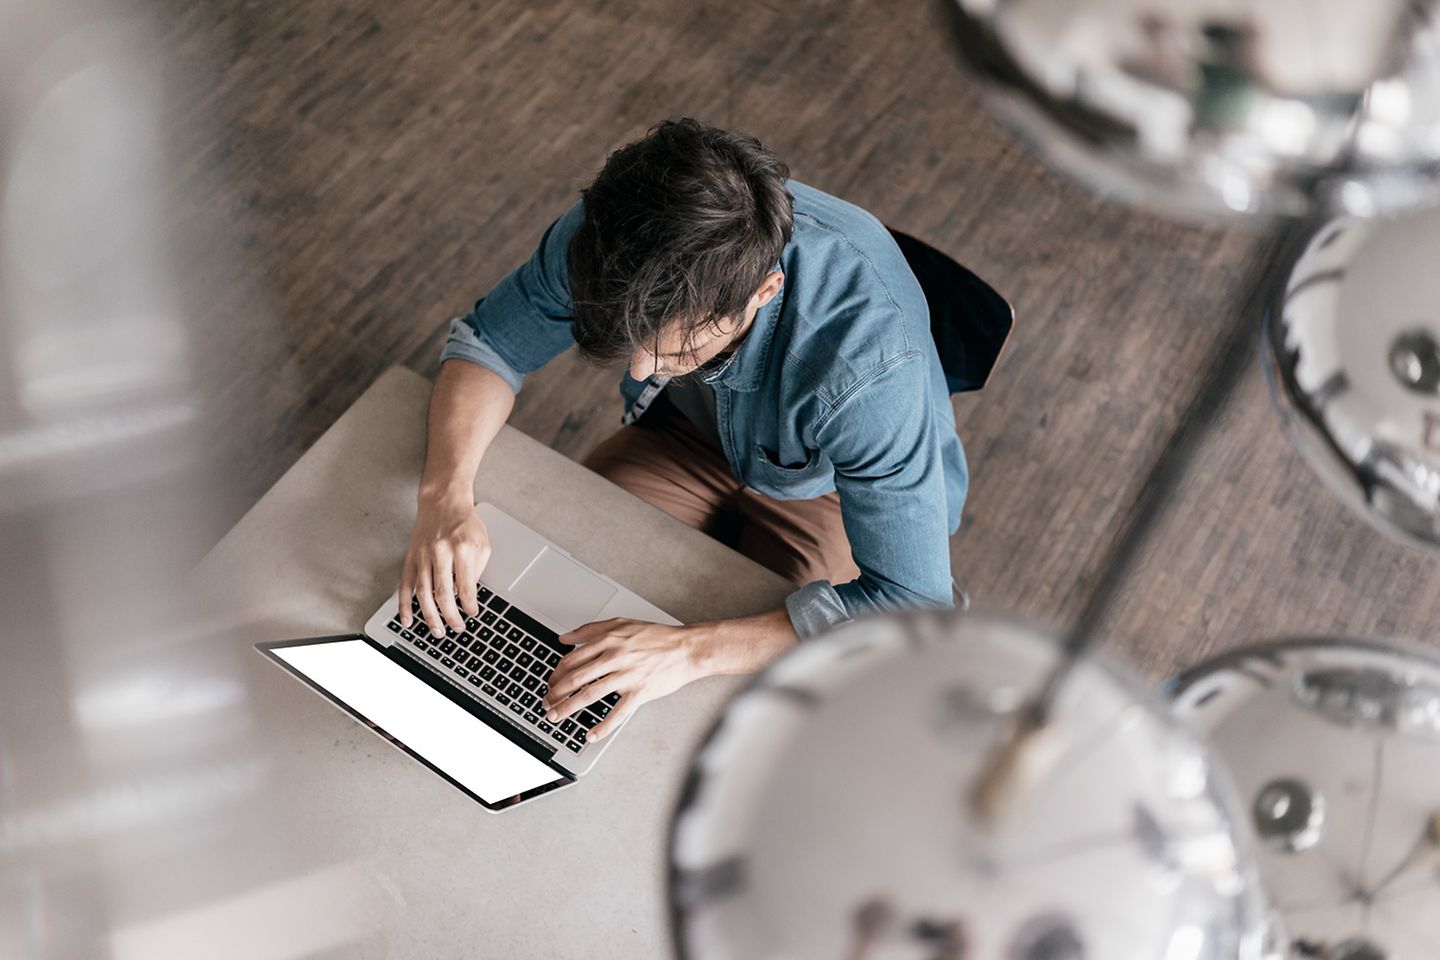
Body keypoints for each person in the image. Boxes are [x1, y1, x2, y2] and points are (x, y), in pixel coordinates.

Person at [396, 118, 967, 741]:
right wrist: (443, 495)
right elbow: (490, 342)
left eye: (677, 352)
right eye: (634, 342)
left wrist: (688, 652)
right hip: (685, 437)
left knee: (741, 717)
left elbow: (910, 606)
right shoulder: (612, 231)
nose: (641, 369)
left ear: (762, 292)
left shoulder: (870, 371)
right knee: (551, 611)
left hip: (831, 487)